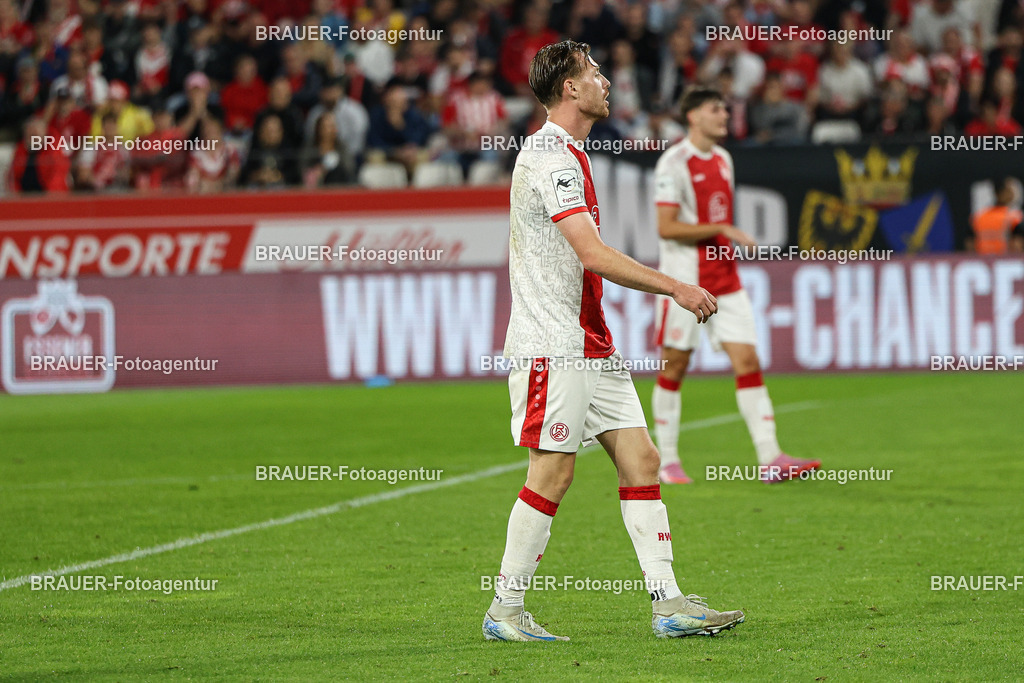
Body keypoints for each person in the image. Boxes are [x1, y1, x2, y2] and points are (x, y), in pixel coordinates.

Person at [482, 40, 744, 643]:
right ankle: (505, 609)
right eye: (594, 73)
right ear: (570, 88)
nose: (605, 81)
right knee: (551, 473)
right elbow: (592, 254)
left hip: (590, 343)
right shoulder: (550, 156)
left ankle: (668, 603)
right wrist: (676, 285)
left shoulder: (572, 151)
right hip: (553, 342)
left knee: (642, 459)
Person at [650, 86, 821, 485]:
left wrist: (721, 235)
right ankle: (668, 462)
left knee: (748, 362)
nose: (724, 116)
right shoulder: (672, 163)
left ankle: (770, 458)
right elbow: (666, 227)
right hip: (686, 284)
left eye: (725, 110)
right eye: (715, 110)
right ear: (693, 116)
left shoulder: (724, 159)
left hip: (726, 281)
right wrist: (722, 228)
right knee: (675, 366)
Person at [969, 177, 1023, 254]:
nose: (1012, 194)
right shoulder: (1015, 217)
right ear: (999, 193)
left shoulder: (979, 216)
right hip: (1007, 262)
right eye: (1009, 191)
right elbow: (1018, 245)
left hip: (983, 261)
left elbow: (970, 245)